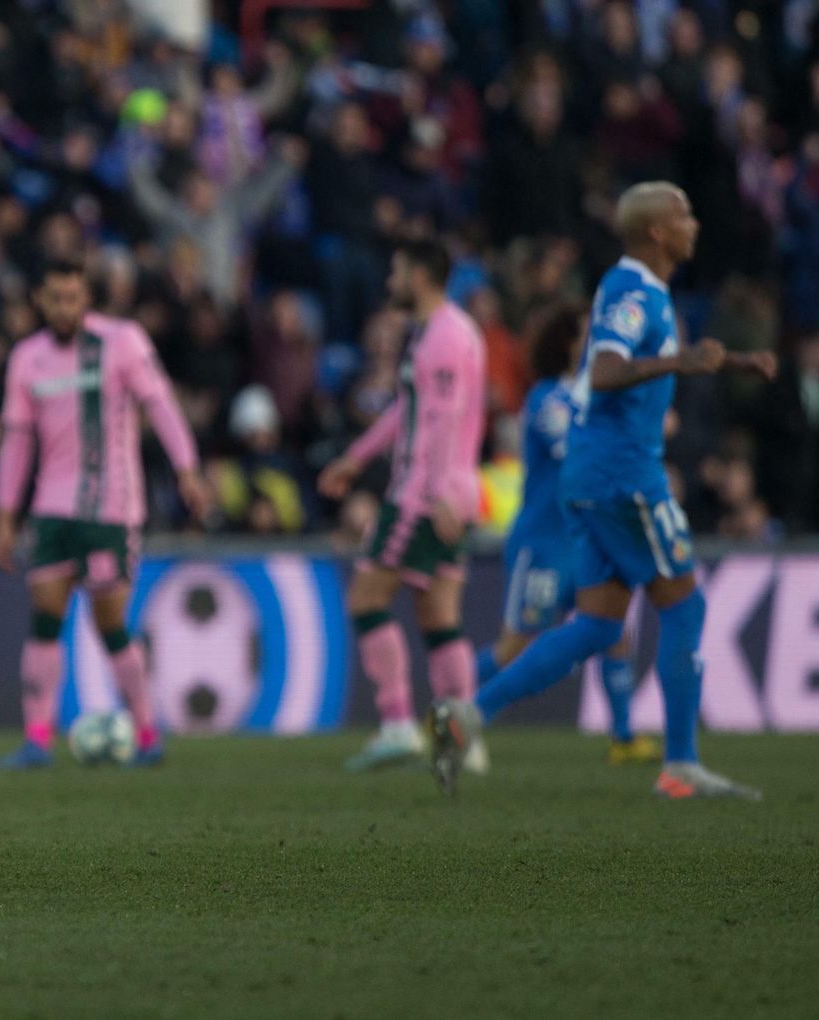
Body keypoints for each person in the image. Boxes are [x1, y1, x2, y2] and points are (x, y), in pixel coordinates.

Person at [430, 183, 776, 799]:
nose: (695, 223)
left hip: (592, 477)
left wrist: (733, 362)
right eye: (684, 214)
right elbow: (606, 369)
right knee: (684, 606)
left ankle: (469, 714)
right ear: (656, 233)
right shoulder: (632, 290)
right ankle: (681, 766)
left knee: (595, 624)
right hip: (624, 474)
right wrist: (678, 364)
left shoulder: (646, 292)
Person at [0, 260, 209, 769]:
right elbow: (17, 444)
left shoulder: (123, 342)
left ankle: (149, 730)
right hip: (51, 509)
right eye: (55, 298)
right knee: (45, 615)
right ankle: (38, 738)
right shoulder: (27, 358)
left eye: (73, 297)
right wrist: (5, 516)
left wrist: (188, 470)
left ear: (87, 298)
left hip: (111, 508)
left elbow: (160, 405)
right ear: (40, 302)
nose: (64, 307)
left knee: (108, 620)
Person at [317, 241, 487, 772]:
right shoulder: (449, 333)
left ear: (419, 275)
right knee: (439, 618)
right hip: (456, 490)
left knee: (366, 600)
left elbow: (443, 419)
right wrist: (355, 457)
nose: (390, 279)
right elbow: (407, 412)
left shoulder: (441, 339)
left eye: (395, 269)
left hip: (422, 494)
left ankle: (396, 725)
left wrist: (433, 494)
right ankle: (463, 738)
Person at [473, 307, 658, 766]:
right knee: (516, 645)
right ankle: (450, 710)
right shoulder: (546, 399)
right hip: (544, 544)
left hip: (585, 543)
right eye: (587, 335)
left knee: (613, 630)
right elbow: (574, 451)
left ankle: (622, 737)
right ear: (569, 344)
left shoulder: (593, 397)